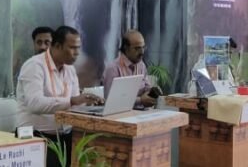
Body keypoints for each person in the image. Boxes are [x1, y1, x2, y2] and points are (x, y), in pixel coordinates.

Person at [17, 26, 102, 167]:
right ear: (57, 46)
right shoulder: (34, 66)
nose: (77, 53)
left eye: (78, 48)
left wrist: (89, 103)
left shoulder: (70, 69)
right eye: (72, 48)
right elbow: (34, 104)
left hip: (65, 135)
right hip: (36, 137)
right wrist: (73, 100)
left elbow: (74, 104)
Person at [102, 30, 158, 108]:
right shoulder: (113, 69)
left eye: (143, 47)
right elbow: (111, 100)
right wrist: (140, 100)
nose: (142, 52)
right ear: (126, 48)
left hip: (141, 112)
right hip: (120, 113)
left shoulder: (141, 65)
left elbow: (146, 87)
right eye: (137, 48)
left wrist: (152, 91)